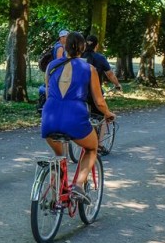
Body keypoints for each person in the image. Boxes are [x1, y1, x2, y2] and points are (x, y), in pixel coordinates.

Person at [41, 31, 115, 199]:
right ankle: (78, 185)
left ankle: (55, 196)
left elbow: (48, 94)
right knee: (91, 148)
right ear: (83, 48)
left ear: (65, 47)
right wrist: (108, 114)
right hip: (74, 117)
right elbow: (99, 101)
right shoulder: (89, 69)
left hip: (49, 117)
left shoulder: (51, 66)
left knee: (60, 157)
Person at [81, 35, 122, 118]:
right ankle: (101, 130)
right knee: (103, 117)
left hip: (80, 93)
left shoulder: (79, 57)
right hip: (95, 93)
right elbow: (110, 74)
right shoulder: (100, 58)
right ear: (96, 45)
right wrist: (117, 85)